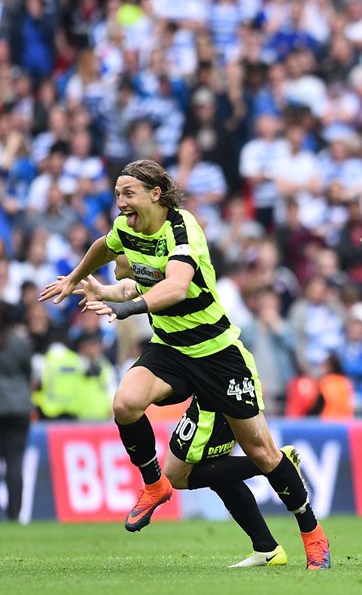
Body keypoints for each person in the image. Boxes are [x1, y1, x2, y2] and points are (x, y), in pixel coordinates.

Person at [40, 161, 330, 570]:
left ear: (155, 193)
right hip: (172, 348)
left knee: (263, 455)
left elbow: (175, 287)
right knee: (126, 404)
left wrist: (125, 308)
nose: (121, 203)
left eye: (129, 194)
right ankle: (154, 485)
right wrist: (75, 278)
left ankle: (312, 533)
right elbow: (104, 247)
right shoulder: (129, 231)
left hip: (216, 354)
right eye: (118, 194)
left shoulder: (182, 228)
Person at [0, 302, 33, 522]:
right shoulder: (20, 342)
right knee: (15, 463)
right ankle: (15, 514)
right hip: (19, 406)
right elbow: (28, 373)